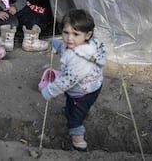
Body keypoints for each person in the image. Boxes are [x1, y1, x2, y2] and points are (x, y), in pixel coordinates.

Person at [39, 9, 106, 151]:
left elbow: (66, 81)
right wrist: (57, 45)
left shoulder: (80, 60)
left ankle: (79, 144)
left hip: (82, 91)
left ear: (88, 34)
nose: (69, 38)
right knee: (75, 105)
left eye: (75, 34)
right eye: (65, 33)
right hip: (92, 85)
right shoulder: (82, 43)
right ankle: (77, 110)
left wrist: (49, 91)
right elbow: (67, 47)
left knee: (74, 120)